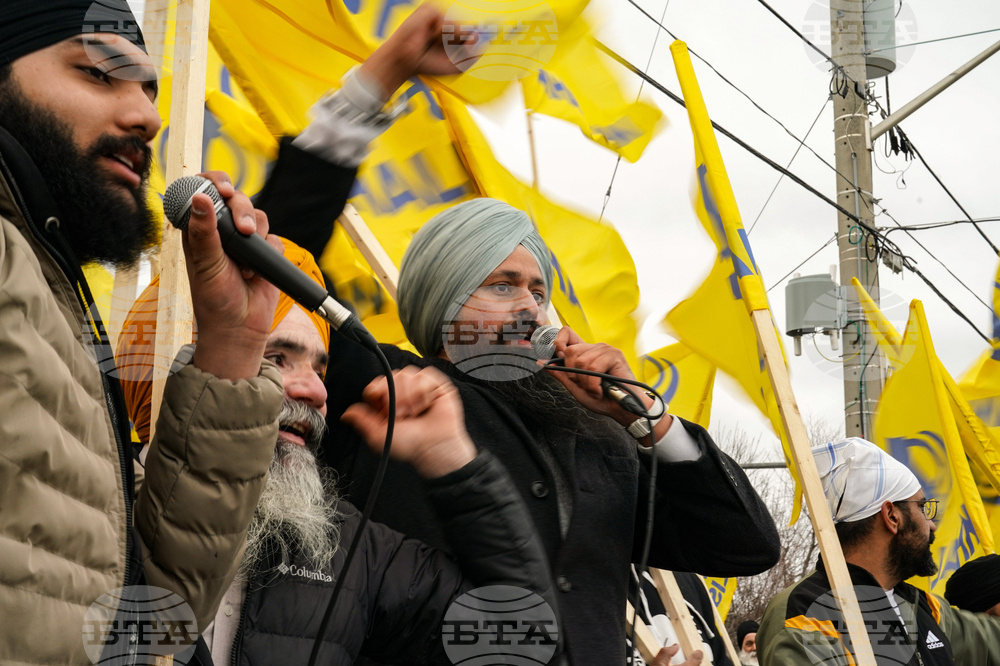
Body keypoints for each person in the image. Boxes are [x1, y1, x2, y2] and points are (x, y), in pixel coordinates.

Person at [266, 196, 781, 662]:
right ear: (443, 307)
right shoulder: (393, 385)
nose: (530, 308)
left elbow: (745, 544)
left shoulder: (601, 434)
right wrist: (361, 105)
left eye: (537, 291)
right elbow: (283, 258)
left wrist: (647, 419)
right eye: (502, 285)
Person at [116, 240, 560, 665]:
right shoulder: (101, 502)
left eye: (320, 368)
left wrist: (456, 465)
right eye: (277, 359)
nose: (314, 390)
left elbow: (521, 638)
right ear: (186, 369)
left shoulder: (348, 550)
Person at [0, 2, 285, 662]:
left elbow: (156, 617)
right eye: (100, 74)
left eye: (150, 90)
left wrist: (232, 342)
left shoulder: (54, 298)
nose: (148, 117)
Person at [757, 437, 1000, 666]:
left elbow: (991, 640)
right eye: (923, 507)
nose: (931, 524)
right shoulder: (806, 613)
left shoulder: (925, 607)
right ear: (892, 516)